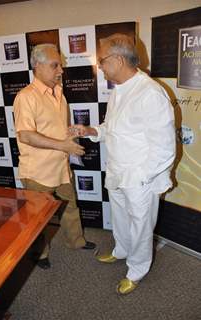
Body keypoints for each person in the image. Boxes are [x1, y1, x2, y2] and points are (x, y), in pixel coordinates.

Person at [69, 34, 176, 294]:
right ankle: (121, 250)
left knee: (140, 225)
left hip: (140, 177)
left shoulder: (149, 92)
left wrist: (141, 178)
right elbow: (114, 128)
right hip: (117, 170)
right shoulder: (119, 90)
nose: (100, 67)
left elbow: (164, 148)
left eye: (102, 61)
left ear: (117, 60)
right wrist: (92, 131)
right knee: (119, 218)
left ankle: (137, 269)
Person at [13, 43, 96, 270]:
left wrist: (69, 132)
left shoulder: (58, 92)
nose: (61, 70)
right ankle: (40, 254)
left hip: (61, 167)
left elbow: (52, 126)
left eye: (60, 65)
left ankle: (76, 241)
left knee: (70, 206)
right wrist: (62, 145)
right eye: (55, 65)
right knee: (37, 218)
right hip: (38, 172)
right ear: (38, 66)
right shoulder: (25, 97)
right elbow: (27, 135)